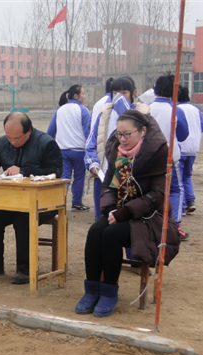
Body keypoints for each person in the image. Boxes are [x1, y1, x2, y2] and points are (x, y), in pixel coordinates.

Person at [75, 110, 180, 317]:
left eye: (127, 134)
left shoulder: (159, 153)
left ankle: (109, 292)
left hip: (149, 217)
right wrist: (110, 208)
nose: (122, 139)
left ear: (142, 131)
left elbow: (158, 195)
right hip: (120, 211)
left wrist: (126, 212)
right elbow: (108, 186)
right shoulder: (117, 150)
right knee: (95, 231)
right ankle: (92, 290)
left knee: (111, 235)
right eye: (119, 134)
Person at [0, 112, 63, 285]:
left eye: (17, 138)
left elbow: (56, 171)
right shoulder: (3, 142)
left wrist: (24, 170)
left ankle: (26, 269)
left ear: (28, 132)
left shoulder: (47, 143)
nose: (12, 142)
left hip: (45, 201)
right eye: (9, 137)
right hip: (14, 200)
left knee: (23, 219)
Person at [85, 77, 148, 221]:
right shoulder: (104, 113)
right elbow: (91, 143)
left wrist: (123, 108)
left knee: (129, 222)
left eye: (124, 92)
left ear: (134, 93)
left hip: (131, 178)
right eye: (115, 93)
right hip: (105, 177)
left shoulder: (142, 113)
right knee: (102, 220)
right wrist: (93, 164)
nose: (119, 96)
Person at [149, 74, 190, 240]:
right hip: (169, 159)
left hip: (148, 159)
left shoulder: (146, 108)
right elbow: (183, 134)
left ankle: (151, 224)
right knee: (175, 190)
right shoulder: (175, 109)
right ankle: (174, 226)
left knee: (150, 192)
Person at [47, 84, 91, 211]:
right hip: (79, 150)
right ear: (76, 96)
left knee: (64, 177)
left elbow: (50, 131)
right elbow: (88, 131)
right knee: (79, 177)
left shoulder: (60, 110)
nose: (84, 96)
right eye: (83, 93)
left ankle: (58, 203)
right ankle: (77, 202)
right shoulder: (83, 110)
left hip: (62, 150)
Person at [177, 86, 202, 216]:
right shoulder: (196, 109)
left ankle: (181, 206)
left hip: (181, 147)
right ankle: (190, 201)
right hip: (194, 148)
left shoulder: (177, 109)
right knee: (187, 175)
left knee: (178, 179)